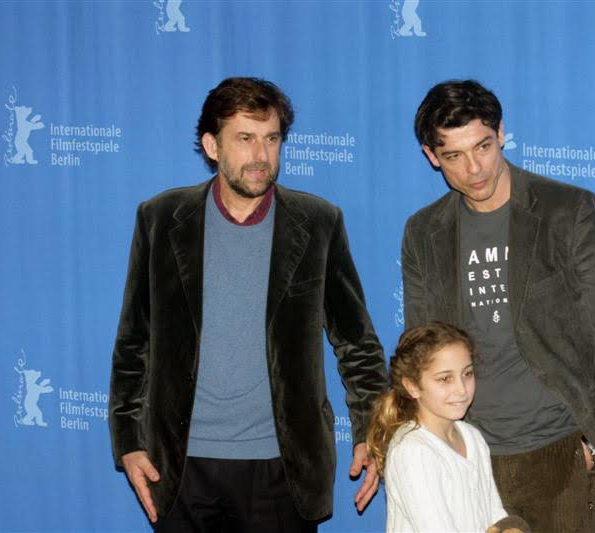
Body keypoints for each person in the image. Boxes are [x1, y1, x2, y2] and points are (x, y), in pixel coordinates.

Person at [109, 77, 387, 532]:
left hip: (281, 468)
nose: (261, 156)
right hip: (180, 469)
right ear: (211, 146)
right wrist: (128, 441)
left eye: (271, 139)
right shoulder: (160, 219)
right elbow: (133, 342)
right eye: (244, 138)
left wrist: (373, 434)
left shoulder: (318, 222)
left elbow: (357, 344)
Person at [401, 79, 595, 532]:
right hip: (465, 452)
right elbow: (422, 351)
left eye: (482, 146)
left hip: (558, 452)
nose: (474, 168)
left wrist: (594, 443)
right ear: (431, 156)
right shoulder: (424, 232)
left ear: (501, 134)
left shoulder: (568, 211)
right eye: (454, 156)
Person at [367, 322, 509, 533]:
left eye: (467, 374)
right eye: (445, 379)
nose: (461, 389)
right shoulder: (412, 452)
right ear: (412, 386)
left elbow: (495, 516)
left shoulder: (473, 437)